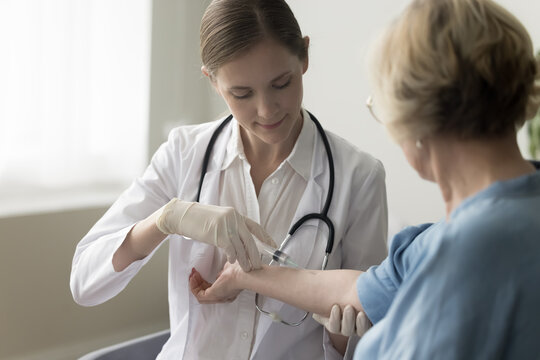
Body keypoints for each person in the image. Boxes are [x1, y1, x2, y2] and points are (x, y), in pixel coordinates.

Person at [189, 0, 540, 358]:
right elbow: (357, 289)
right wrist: (247, 274)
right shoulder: (446, 237)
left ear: (416, 121)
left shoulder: (467, 255)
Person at [69, 0, 388, 359]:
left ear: (304, 58)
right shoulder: (183, 153)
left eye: (281, 83)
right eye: (242, 93)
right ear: (213, 82)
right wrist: (166, 219)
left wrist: (344, 337)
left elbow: (375, 337)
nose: (267, 110)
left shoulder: (359, 177)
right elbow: (85, 282)